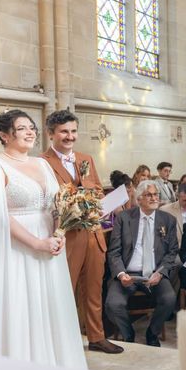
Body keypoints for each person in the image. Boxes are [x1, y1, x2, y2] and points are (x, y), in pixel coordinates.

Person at [0, 109, 86, 367]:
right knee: (21, 307)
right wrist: (36, 243)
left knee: (48, 307)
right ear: (4, 134)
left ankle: (53, 367)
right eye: (22, 128)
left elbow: (57, 205)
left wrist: (59, 232)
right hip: (16, 249)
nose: (30, 132)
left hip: (50, 246)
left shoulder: (42, 164)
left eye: (32, 127)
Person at [41, 109, 123, 355]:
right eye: (64, 131)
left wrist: (100, 202)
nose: (70, 136)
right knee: (64, 291)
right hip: (68, 236)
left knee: (93, 289)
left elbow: (96, 189)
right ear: (51, 133)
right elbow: (46, 198)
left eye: (73, 131)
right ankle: (61, 341)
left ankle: (97, 337)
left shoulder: (85, 158)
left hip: (94, 235)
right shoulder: (42, 163)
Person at [105, 180, 179, 347]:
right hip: (127, 274)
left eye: (155, 195)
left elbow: (172, 252)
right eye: (149, 195)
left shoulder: (168, 220)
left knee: (169, 299)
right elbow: (114, 252)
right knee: (113, 304)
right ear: (139, 199)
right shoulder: (124, 218)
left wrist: (160, 273)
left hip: (154, 273)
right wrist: (121, 274)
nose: (154, 198)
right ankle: (128, 335)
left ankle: (152, 334)